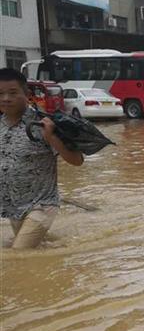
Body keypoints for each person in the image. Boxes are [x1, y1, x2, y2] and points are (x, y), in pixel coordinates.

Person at [0, 68, 84, 249]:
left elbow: (77, 160)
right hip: (13, 205)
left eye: (13, 93)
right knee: (35, 248)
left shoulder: (44, 124)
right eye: (0, 94)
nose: (6, 98)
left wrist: (52, 138)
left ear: (27, 94)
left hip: (42, 204)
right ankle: (64, 248)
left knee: (19, 252)